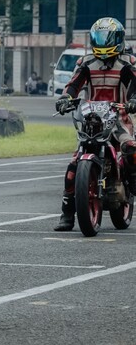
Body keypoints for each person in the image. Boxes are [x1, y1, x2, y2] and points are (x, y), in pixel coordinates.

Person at [53, 18, 136, 231]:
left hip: (120, 118)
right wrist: (65, 99)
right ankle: (67, 214)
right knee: (73, 165)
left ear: (118, 39)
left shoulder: (128, 63)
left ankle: (131, 184)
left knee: (130, 148)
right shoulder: (86, 63)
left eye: (107, 38)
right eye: (99, 38)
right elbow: (73, 85)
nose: (103, 43)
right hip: (92, 119)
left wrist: (133, 101)